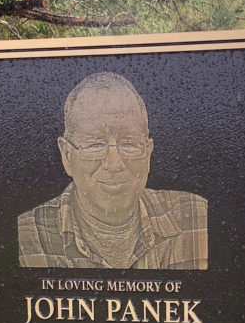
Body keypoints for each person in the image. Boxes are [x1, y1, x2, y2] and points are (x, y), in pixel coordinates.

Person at [17, 72, 207, 269]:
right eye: (95, 145)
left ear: (148, 153)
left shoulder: (194, 216)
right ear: (67, 155)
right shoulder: (26, 236)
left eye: (129, 144)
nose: (114, 164)